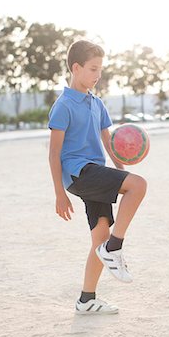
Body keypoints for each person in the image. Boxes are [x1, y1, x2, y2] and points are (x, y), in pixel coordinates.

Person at [48, 40, 147, 315]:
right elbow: (54, 153)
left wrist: (120, 167)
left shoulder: (97, 103)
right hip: (79, 174)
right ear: (76, 68)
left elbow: (109, 141)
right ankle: (115, 248)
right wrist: (59, 192)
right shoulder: (63, 105)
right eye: (93, 69)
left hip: (95, 172)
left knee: (98, 240)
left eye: (100, 69)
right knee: (139, 185)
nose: (98, 75)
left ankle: (86, 299)